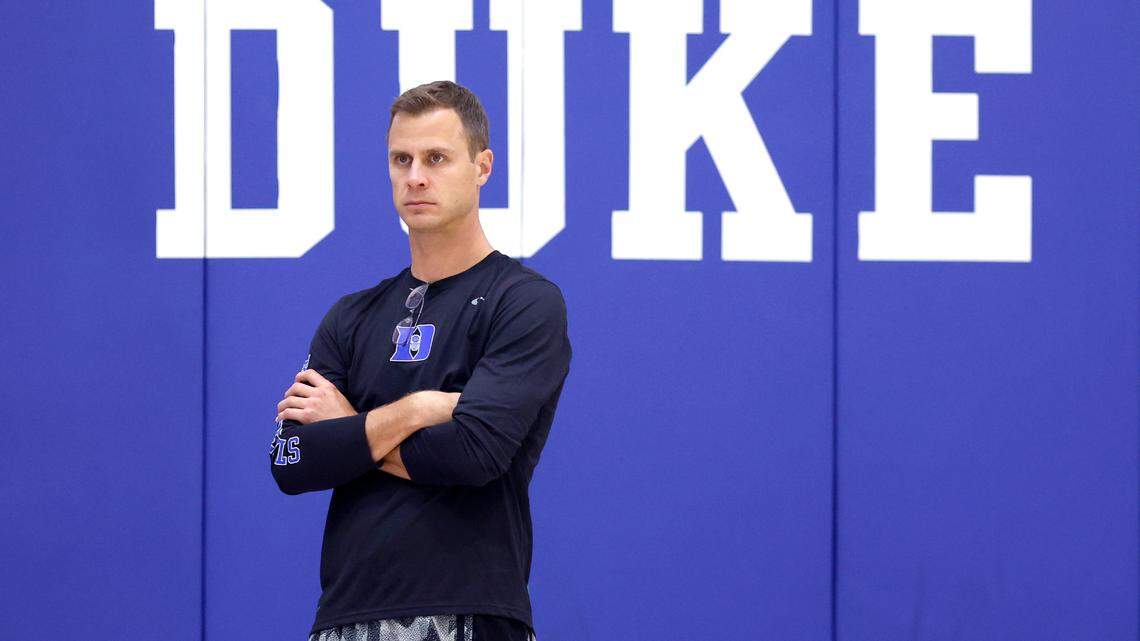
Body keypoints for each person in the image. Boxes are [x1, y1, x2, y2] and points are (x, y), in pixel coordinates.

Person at [269, 80, 572, 641]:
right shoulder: (352, 315)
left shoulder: (524, 301)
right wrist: (416, 412)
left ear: (482, 167)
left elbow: (473, 453)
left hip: (471, 612)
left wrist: (349, 429)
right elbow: (292, 461)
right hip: (343, 616)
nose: (415, 177)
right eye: (401, 159)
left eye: (436, 158)